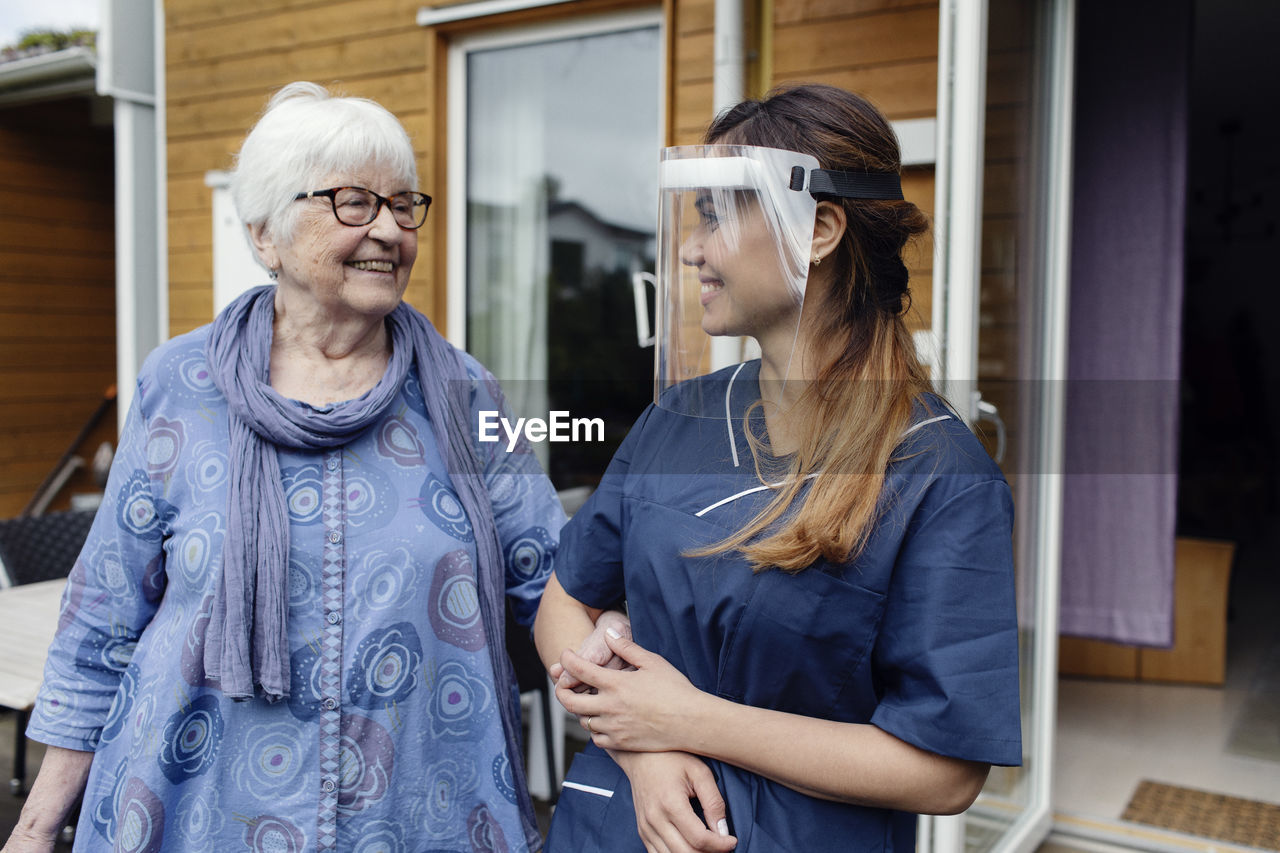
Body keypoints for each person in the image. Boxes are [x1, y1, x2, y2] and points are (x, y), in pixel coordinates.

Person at [4, 82, 572, 853]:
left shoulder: (463, 394)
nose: (389, 229)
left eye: (404, 205)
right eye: (353, 201)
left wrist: (655, 733)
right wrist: (36, 828)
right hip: (196, 809)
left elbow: (555, 584)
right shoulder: (180, 382)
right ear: (266, 234)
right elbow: (105, 613)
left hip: (416, 813)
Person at [533, 83, 1022, 853]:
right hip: (617, 826)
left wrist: (688, 719)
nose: (691, 249)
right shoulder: (675, 420)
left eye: (719, 217)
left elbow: (946, 768)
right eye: (695, 219)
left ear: (819, 227)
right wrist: (645, 750)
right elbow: (562, 601)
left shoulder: (938, 476)